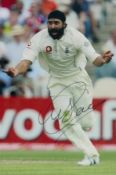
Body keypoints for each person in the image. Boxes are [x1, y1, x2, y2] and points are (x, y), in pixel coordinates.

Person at [6, 10, 113, 166]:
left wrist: (103, 60)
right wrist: (16, 71)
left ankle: (85, 127)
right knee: (66, 120)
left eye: (56, 23)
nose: (53, 26)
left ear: (64, 24)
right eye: (50, 23)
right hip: (57, 81)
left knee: (87, 123)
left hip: (78, 79)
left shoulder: (75, 36)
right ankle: (92, 155)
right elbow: (26, 61)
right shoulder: (39, 38)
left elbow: (94, 59)